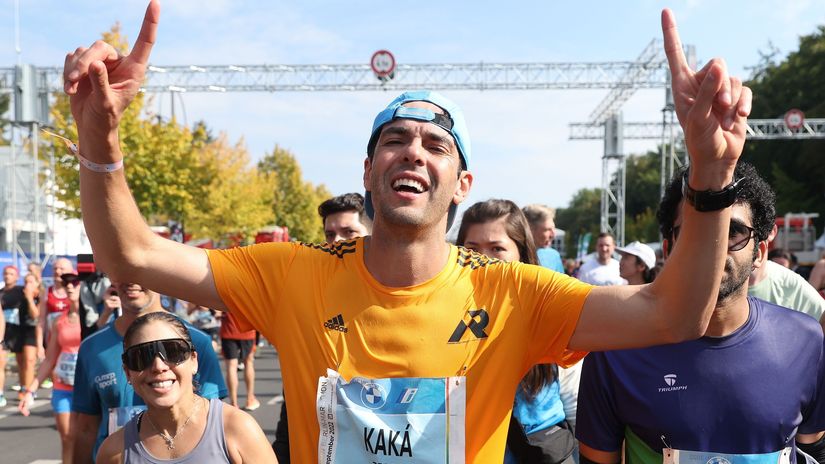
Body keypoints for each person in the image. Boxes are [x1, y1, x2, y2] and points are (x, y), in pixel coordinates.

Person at [64, 5, 752, 461]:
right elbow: (131, 252)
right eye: (394, 140)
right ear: (368, 169)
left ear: (462, 184)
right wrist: (98, 142)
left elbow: (674, 313)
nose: (413, 152)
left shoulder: (514, 292)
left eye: (435, 144)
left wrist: (710, 176)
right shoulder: (291, 272)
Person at [576, 162, 825, 464]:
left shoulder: (806, 340)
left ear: (759, 253)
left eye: (734, 231)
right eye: (696, 231)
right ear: (668, 250)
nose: (715, 246)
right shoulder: (614, 349)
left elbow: (813, 451)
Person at [457, 199, 576, 464]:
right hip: (474, 446)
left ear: (521, 253)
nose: (482, 259)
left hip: (541, 442)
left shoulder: (544, 302)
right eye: (471, 248)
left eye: (497, 248)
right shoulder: (443, 310)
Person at [70, 283, 227, 463]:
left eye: (171, 353)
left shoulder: (195, 340)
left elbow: (214, 422)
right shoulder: (91, 347)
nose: (159, 366)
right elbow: (86, 427)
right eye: (122, 272)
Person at [95, 311, 277, 463]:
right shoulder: (114, 451)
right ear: (128, 373)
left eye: (173, 351)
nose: (159, 366)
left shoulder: (237, 429)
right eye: (142, 356)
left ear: (194, 361)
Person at [274, 192, 374, 463]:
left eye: (349, 232)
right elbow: (291, 414)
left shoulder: (397, 297)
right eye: (330, 234)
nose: (336, 242)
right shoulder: (307, 298)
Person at [19, 272, 83, 463]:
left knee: (87, 439)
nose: (70, 287)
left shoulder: (95, 319)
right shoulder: (59, 321)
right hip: (63, 387)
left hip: (86, 389)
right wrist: (31, 389)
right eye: (66, 284)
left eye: (75, 284)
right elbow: (50, 359)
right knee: (67, 438)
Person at [2, 265, 40, 398]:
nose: (27, 285)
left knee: (29, 361)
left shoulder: (37, 295)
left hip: (34, 331)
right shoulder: (18, 293)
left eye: (30, 282)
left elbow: (36, 315)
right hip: (19, 331)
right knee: (21, 362)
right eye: (26, 282)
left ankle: (29, 390)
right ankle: (24, 387)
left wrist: (30, 297)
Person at [219, 309, 260, 411]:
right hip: (248, 330)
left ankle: (234, 403)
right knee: (249, 362)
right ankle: (250, 399)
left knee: (231, 367)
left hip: (229, 329)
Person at [523, 204, 565, 273]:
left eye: (553, 228)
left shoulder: (553, 256)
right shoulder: (512, 254)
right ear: (529, 229)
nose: (553, 235)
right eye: (547, 229)